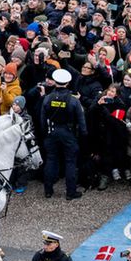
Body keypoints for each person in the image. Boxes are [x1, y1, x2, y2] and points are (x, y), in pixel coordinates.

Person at [42, 68, 85, 200]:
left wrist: (45, 134)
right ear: (67, 83)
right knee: (70, 162)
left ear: (55, 82)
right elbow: (81, 121)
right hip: (68, 133)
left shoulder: (48, 98)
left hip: (52, 132)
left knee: (51, 160)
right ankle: (70, 192)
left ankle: (48, 191)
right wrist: (83, 136)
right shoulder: (73, 100)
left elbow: (42, 120)